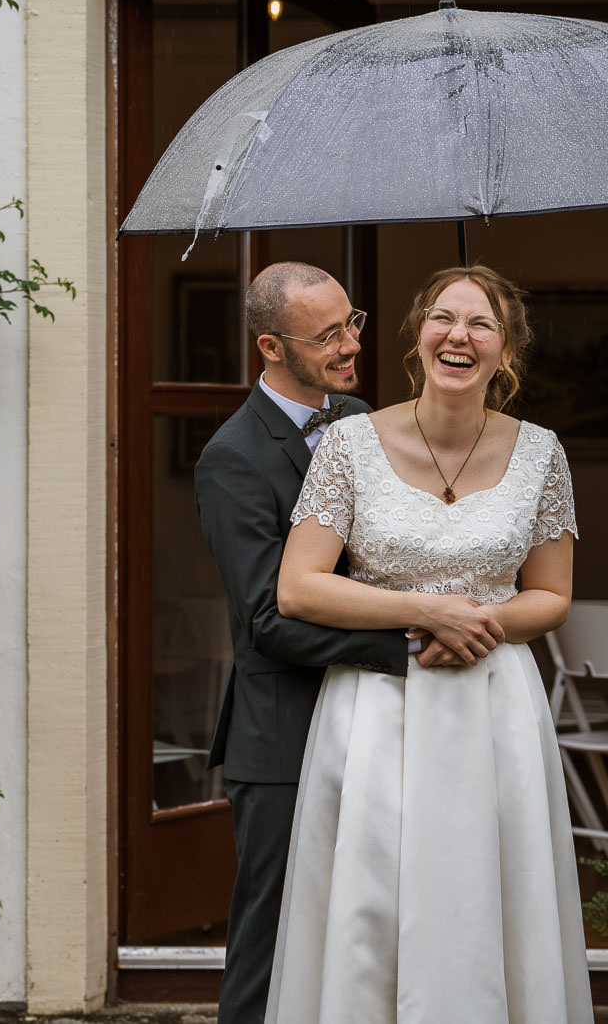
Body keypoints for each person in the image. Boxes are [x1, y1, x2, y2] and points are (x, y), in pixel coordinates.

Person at [266, 264, 595, 1023]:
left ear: (506, 349)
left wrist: (479, 625)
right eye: (443, 318)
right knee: (372, 898)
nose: (459, 335)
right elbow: (299, 587)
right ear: (418, 335)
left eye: (482, 324)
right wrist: (427, 612)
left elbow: (551, 595)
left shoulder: (542, 453)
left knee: (491, 891)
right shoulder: (348, 445)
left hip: (495, 707)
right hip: (377, 706)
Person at [194, 262, 423, 1024]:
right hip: (283, 735)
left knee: (364, 926)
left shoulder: (360, 418)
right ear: (270, 346)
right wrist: (404, 640)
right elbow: (267, 618)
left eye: (351, 322)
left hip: (375, 719)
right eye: (327, 335)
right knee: (272, 937)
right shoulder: (232, 457)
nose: (351, 344)